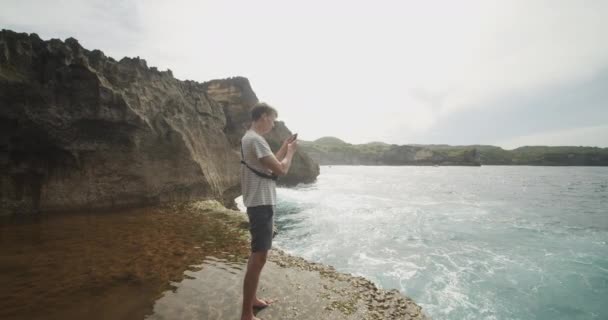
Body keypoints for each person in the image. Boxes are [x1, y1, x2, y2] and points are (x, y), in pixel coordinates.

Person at [240, 102, 298, 320]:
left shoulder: (250, 139)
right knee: (258, 257)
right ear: (263, 116)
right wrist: (290, 152)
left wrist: (284, 146)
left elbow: (268, 163)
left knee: (257, 256)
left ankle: (252, 301)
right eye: (272, 119)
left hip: (258, 203)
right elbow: (281, 169)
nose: (273, 124)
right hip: (260, 204)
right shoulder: (256, 139)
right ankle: (246, 314)